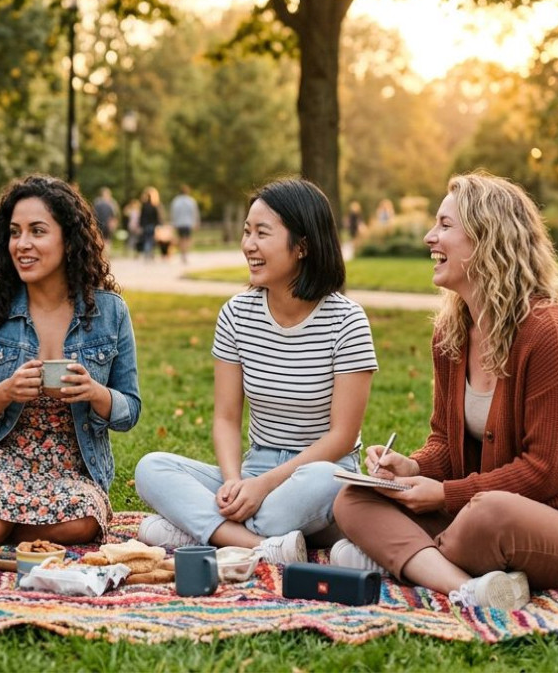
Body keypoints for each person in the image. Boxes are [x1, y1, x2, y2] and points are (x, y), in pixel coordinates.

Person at [330, 172, 558, 612]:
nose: (429, 237)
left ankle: (400, 560)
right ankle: (468, 585)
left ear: (487, 240)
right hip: (474, 513)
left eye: (445, 225)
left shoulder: (548, 334)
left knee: (487, 516)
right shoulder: (453, 332)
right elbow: (446, 444)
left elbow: (544, 473)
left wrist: (443, 496)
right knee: (354, 499)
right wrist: (411, 467)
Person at [134, 178, 378, 565]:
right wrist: (234, 481)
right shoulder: (236, 314)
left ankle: (197, 532)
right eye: (247, 232)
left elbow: (342, 436)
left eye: (262, 233)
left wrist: (264, 486)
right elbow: (226, 418)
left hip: (318, 472)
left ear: (302, 246)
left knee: (319, 482)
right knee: (152, 468)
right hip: (254, 468)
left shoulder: (347, 321)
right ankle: (259, 545)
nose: (248, 244)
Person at [0, 175, 141, 546]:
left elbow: (130, 409)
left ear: (68, 239)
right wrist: (4, 393)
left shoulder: (109, 312)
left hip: (72, 466)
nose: (22, 244)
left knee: (80, 525)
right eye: (15, 232)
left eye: (37, 231)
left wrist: (94, 393)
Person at [170, 184, 200, 264]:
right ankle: (185, 253)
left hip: (179, 223)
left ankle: (183, 253)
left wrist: (173, 223)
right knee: (187, 239)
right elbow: (195, 213)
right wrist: (196, 222)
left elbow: (173, 213)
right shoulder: (191, 201)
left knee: (181, 239)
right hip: (188, 223)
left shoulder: (176, 201)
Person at [138, 187, 161, 261]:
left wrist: (141, 225)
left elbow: (141, 216)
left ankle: (147, 253)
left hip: (145, 225)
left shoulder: (144, 206)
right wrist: (157, 225)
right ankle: (150, 253)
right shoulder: (154, 206)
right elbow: (156, 217)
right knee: (150, 239)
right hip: (152, 225)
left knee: (146, 239)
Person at [92, 187, 118, 252]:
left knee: (106, 239)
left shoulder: (111, 202)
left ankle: (104, 253)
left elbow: (114, 216)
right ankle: (103, 253)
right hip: (100, 223)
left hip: (105, 224)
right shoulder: (99, 202)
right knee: (102, 239)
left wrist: (113, 224)